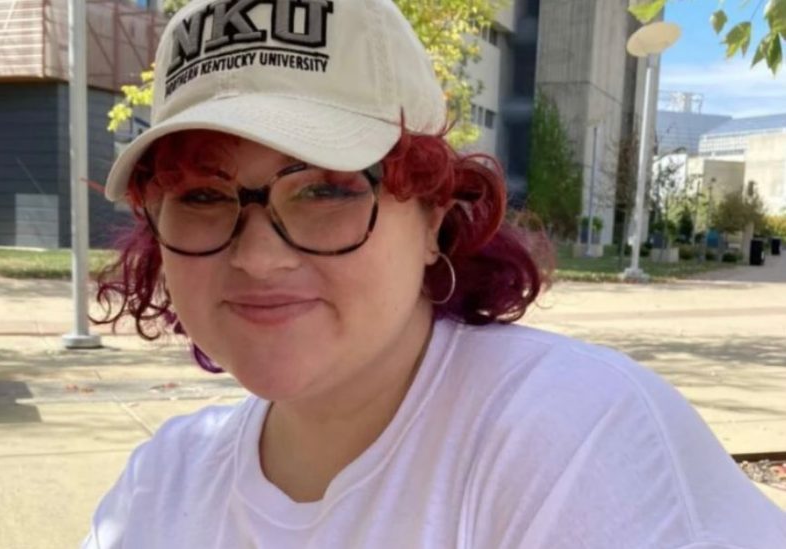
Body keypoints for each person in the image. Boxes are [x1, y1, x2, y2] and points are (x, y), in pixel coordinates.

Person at [82, 0, 786, 547]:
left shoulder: (574, 436)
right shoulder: (160, 483)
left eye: (327, 189)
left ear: (433, 218)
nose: (259, 257)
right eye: (203, 196)